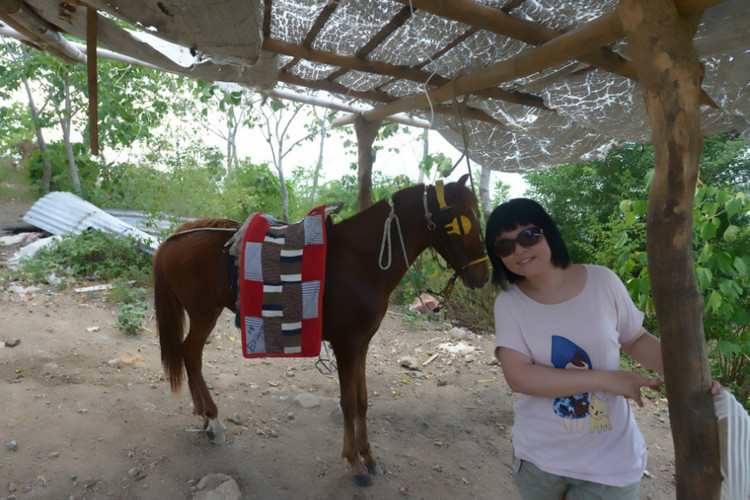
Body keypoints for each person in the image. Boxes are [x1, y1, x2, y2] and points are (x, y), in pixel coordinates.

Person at [485, 198, 721, 500]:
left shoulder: (601, 281)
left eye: (528, 236)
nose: (518, 250)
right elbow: (519, 377)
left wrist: (696, 377)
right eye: (504, 246)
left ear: (549, 234)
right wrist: (607, 379)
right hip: (540, 458)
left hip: (610, 460)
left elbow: (634, 339)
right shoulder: (509, 304)